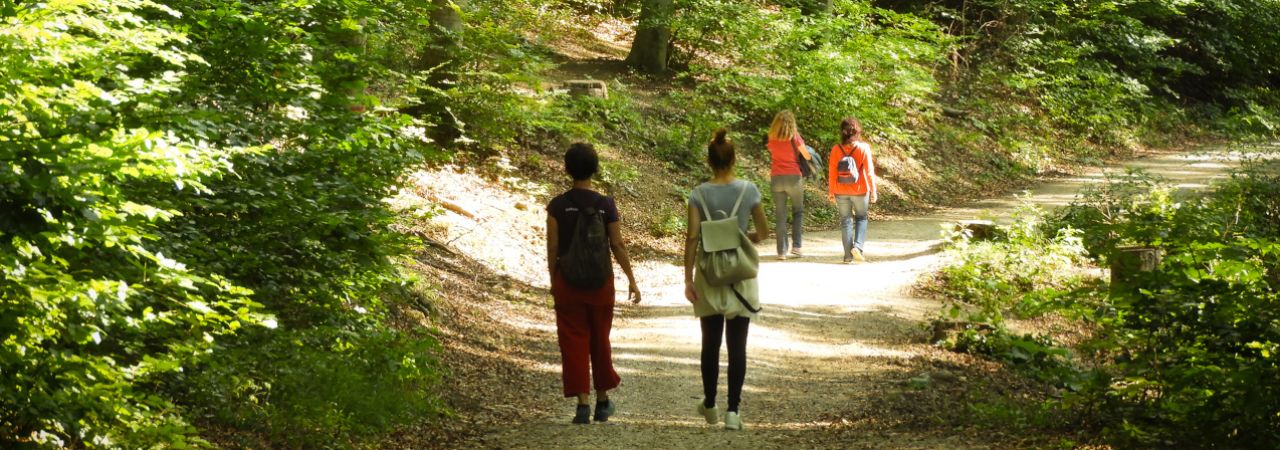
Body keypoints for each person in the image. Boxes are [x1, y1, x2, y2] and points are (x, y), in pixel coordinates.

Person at [545, 143, 642, 424]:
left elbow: (552, 247)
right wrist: (631, 280)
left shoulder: (557, 205)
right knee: (600, 338)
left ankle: (582, 405)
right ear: (595, 169)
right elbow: (618, 244)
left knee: (573, 340)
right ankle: (603, 402)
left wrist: (554, 279)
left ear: (567, 169)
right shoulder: (605, 205)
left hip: (568, 283)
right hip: (601, 283)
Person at [683, 129, 769, 431]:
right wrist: (741, 236)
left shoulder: (698, 194)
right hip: (740, 276)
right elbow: (764, 232)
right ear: (734, 159)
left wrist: (687, 278)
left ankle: (709, 404)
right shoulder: (749, 190)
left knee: (710, 343)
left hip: (708, 274)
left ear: (709, 161)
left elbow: (692, 237)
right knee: (737, 345)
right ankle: (733, 412)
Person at [826, 117, 878, 263]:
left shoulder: (836, 149)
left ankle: (848, 256)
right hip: (860, 190)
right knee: (861, 217)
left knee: (845, 221)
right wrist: (873, 191)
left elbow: (832, 172)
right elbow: (869, 171)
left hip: (840, 190)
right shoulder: (864, 148)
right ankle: (858, 247)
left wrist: (831, 191)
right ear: (857, 131)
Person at [765, 110, 809, 260]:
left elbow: (772, 151)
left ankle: (781, 252)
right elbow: (806, 155)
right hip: (793, 177)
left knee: (780, 215)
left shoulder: (772, 138)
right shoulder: (794, 137)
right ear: (792, 123)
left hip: (777, 177)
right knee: (798, 211)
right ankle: (796, 247)